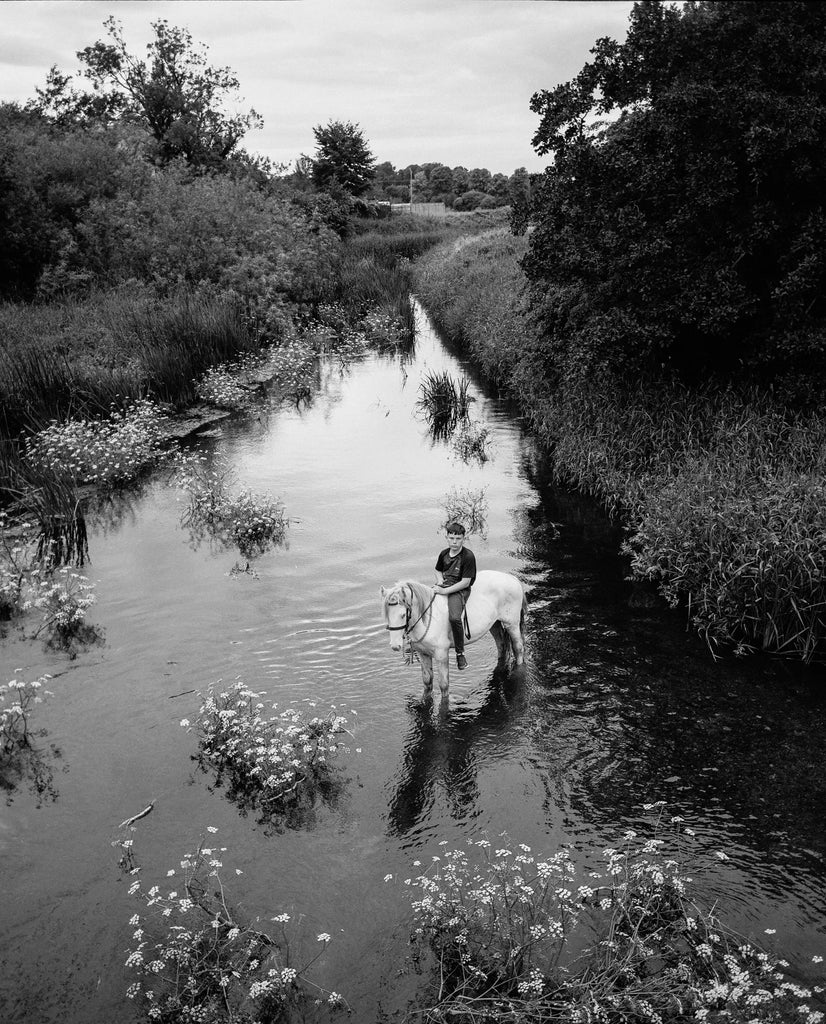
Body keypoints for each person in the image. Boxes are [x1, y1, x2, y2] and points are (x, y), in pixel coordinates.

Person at [434, 522, 477, 670]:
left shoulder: (468, 556)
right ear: (446, 537)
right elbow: (438, 570)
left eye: (458, 538)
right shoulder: (444, 553)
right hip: (445, 584)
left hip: (459, 589)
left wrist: (445, 591)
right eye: (451, 538)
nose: (454, 542)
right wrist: (440, 581)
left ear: (463, 539)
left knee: (454, 617)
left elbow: (465, 582)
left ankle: (460, 653)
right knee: (422, 603)